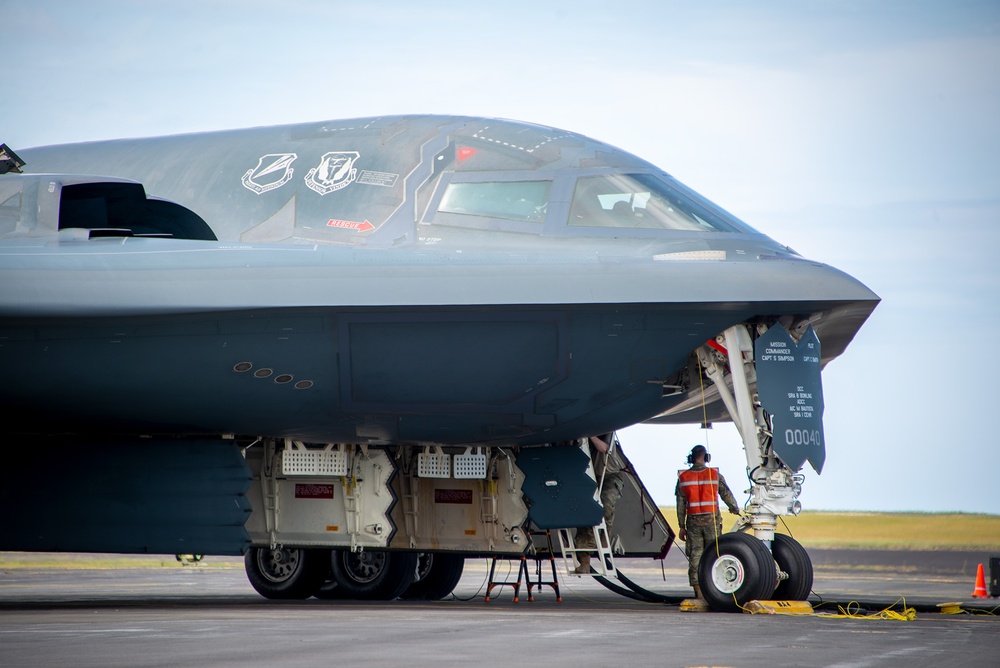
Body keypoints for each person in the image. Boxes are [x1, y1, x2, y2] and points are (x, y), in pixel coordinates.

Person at [675, 444, 741, 599]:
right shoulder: (714, 475)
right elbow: (726, 494)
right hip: (712, 522)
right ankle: (717, 589)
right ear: (706, 457)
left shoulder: (683, 478)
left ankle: (699, 593)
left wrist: (681, 526)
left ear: (691, 458)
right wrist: (734, 508)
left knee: (695, 556)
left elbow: (680, 505)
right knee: (715, 554)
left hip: (693, 524)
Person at [574, 433, 625, 573]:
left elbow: (603, 448)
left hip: (609, 475)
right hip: (589, 476)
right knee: (585, 517)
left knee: (605, 506)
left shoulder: (607, 431)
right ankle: (584, 562)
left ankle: (604, 538)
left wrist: (590, 435)